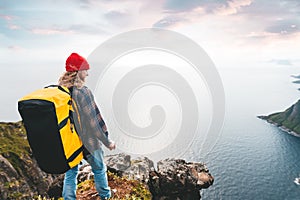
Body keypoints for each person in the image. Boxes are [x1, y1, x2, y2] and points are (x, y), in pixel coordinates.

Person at [58, 53, 116, 200]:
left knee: (71, 173)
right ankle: (105, 196)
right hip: (88, 142)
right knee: (99, 169)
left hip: (69, 140)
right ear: (78, 71)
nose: (87, 73)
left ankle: (68, 198)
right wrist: (107, 141)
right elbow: (93, 122)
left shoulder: (61, 91)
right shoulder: (83, 92)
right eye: (85, 70)